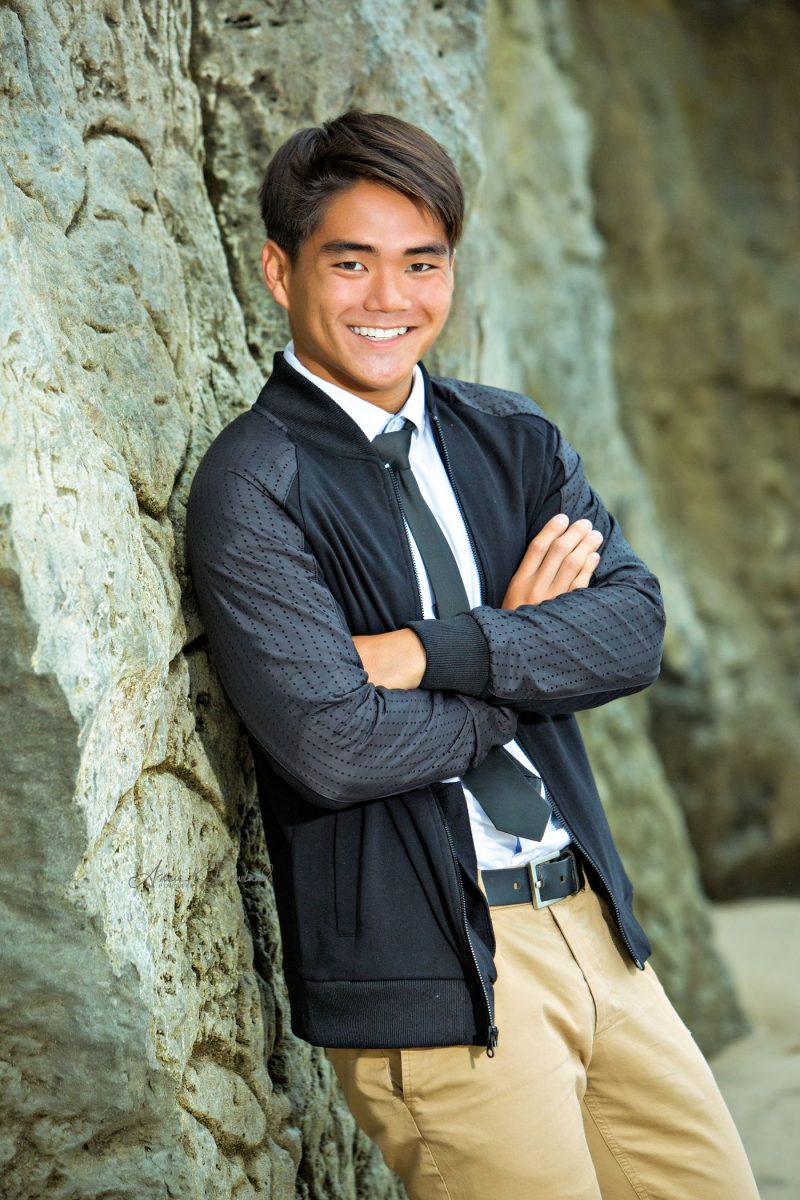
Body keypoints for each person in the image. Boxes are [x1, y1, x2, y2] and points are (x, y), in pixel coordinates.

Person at [185, 109, 759, 1200]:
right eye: (350, 264)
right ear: (278, 270)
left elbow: (629, 630)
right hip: (431, 975)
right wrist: (522, 659)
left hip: (593, 928)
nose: (389, 300)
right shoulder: (252, 486)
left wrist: (424, 650)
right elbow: (334, 745)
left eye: (420, 264)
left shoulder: (512, 437)